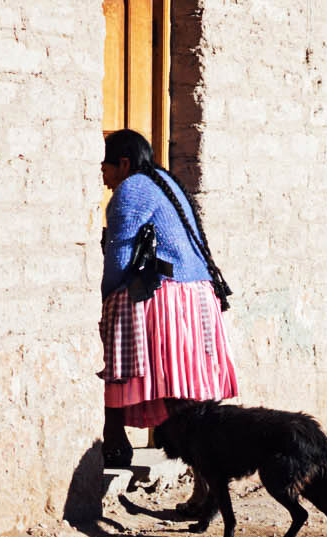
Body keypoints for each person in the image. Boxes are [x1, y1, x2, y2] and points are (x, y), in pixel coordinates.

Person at [99, 129, 238, 468]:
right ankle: (202, 482)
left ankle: (118, 444)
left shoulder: (131, 189)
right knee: (189, 395)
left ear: (124, 163)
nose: (101, 174)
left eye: (105, 165)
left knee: (176, 395)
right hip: (198, 295)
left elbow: (119, 255)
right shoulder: (165, 181)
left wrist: (105, 295)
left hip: (169, 297)